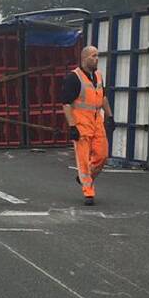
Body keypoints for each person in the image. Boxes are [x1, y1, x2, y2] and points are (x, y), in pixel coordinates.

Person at [60, 46, 112, 205]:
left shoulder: (99, 76)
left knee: (102, 156)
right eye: (93, 56)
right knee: (83, 159)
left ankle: (84, 178)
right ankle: (88, 192)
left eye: (97, 56)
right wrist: (72, 126)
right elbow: (66, 104)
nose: (97, 59)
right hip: (81, 124)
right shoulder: (73, 78)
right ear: (84, 58)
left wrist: (109, 116)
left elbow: (103, 98)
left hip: (97, 122)